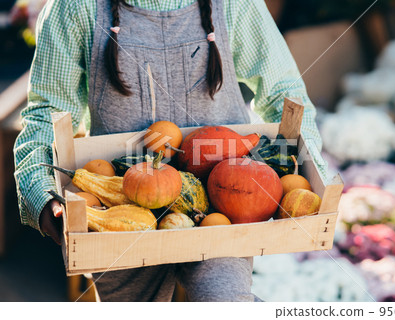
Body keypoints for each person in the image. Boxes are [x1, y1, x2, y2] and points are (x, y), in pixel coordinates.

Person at [14, 0, 324, 302]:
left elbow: (284, 92)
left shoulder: (233, 4)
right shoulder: (75, 6)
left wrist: (313, 174)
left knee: (226, 300)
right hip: (122, 208)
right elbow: (46, 111)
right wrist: (42, 194)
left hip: (219, 202)